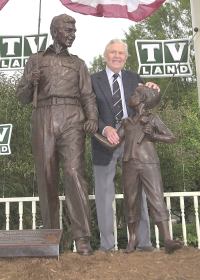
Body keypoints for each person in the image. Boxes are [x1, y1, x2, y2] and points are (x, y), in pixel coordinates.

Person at [16, 14, 98, 256]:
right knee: (47, 175)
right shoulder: (35, 60)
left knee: (74, 173)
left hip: (72, 115)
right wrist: (30, 82)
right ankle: (52, 237)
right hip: (43, 114)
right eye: (68, 29)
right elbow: (21, 98)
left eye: (74, 30)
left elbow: (88, 95)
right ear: (55, 31)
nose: (73, 33)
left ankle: (82, 238)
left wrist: (92, 117)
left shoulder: (79, 63)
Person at [91, 39, 159, 252]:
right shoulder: (93, 80)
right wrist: (105, 128)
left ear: (126, 57)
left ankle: (144, 243)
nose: (117, 56)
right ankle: (107, 246)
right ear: (105, 55)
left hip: (133, 144)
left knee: (138, 192)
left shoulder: (134, 78)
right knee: (104, 195)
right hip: (104, 144)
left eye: (121, 53)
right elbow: (88, 112)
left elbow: (146, 103)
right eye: (113, 52)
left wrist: (153, 89)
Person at [107, 85, 182, 253]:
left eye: (134, 93)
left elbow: (171, 137)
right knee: (131, 201)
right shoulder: (125, 122)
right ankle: (133, 238)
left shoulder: (152, 119)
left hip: (149, 163)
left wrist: (153, 135)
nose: (131, 95)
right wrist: (93, 131)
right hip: (129, 164)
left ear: (142, 98)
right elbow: (111, 144)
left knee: (156, 198)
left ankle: (167, 239)